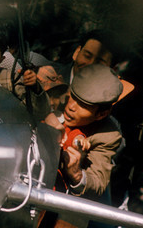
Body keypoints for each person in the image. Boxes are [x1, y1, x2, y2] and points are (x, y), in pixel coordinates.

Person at [45, 64, 131, 199]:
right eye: (73, 96)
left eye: (83, 105)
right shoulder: (56, 93)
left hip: (60, 196)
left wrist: (76, 174)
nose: (71, 107)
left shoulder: (108, 135)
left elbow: (98, 183)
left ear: (101, 114)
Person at [57, 29, 122, 85]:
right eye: (87, 56)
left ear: (113, 71)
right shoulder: (48, 76)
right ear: (76, 53)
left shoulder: (111, 97)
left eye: (99, 63)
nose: (90, 64)